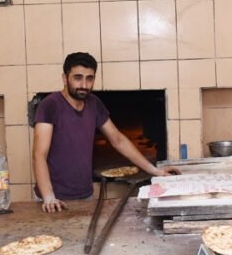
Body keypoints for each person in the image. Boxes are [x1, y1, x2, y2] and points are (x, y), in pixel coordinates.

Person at [33, 52, 180, 212]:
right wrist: (49, 197)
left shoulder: (94, 103)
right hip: (54, 201)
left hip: (86, 196)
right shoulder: (50, 106)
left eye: (89, 78)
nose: (84, 85)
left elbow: (118, 139)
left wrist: (154, 170)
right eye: (78, 77)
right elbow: (39, 155)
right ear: (64, 78)